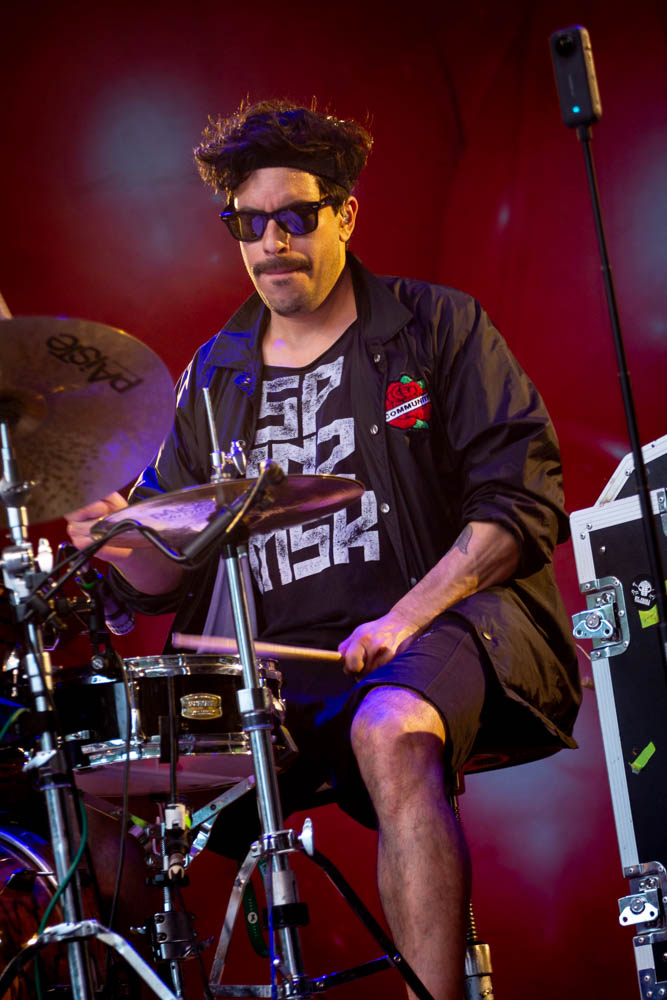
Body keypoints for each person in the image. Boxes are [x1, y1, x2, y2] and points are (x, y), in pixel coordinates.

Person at [66, 99, 581, 1000]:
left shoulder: (436, 327)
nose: (273, 243)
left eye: (296, 217)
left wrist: (403, 619)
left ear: (345, 214)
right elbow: (166, 571)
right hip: (271, 673)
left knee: (390, 727)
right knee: (98, 777)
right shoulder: (215, 376)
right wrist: (120, 541)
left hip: (436, 629)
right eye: (249, 224)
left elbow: (520, 501)